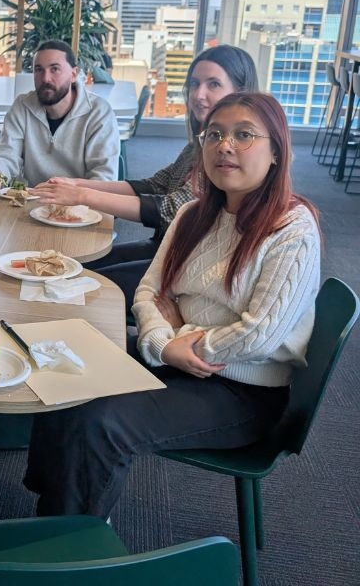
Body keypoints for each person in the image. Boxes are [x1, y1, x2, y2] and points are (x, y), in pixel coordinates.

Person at [23, 92, 321, 519]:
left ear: (276, 151)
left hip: (243, 390)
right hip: (179, 358)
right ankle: (56, 505)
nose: (225, 146)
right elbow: (148, 292)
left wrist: (172, 338)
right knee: (64, 361)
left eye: (244, 135)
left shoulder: (292, 230)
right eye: (214, 134)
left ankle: (67, 543)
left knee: (101, 421)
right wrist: (164, 342)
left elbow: (258, 335)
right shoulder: (194, 214)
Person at [33, 45, 259, 308]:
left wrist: (82, 196)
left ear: (240, 93)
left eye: (214, 84)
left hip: (192, 267)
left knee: (77, 286)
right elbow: (156, 185)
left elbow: (171, 210)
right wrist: (78, 183)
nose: (199, 94)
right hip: (168, 248)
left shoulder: (233, 154)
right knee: (76, 264)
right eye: (195, 84)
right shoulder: (202, 144)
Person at [0, 39, 120, 187]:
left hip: (80, 204)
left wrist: (70, 197)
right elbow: (6, 154)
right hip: (32, 201)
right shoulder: (22, 106)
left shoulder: (98, 112)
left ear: (74, 74)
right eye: (39, 70)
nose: (45, 78)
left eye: (55, 69)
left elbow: (103, 177)